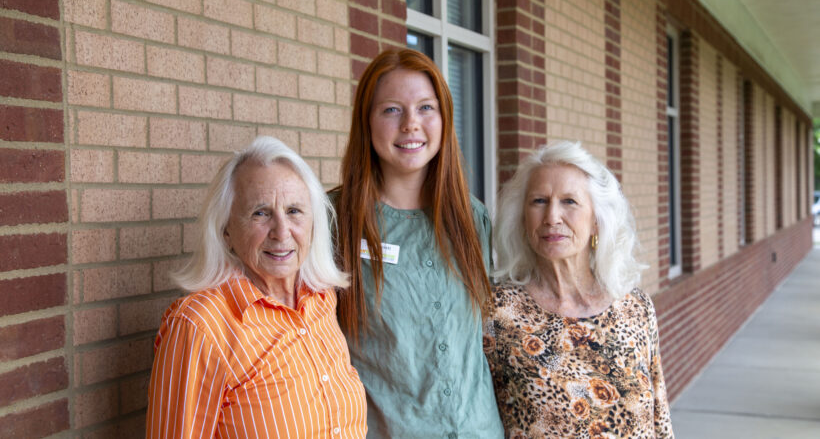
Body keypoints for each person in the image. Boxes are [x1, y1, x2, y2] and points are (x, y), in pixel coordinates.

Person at [332, 48, 504, 438]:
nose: (411, 124)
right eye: (392, 110)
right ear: (367, 121)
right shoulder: (334, 220)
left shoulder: (471, 217)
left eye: (426, 108)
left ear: (444, 119)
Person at [146, 136, 367, 438]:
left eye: (294, 211)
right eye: (260, 213)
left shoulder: (320, 299)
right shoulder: (199, 326)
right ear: (226, 230)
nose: (281, 232)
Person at [485, 141, 674, 438]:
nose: (552, 217)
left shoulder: (635, 307)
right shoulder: (496, 313)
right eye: (539, 201)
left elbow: (659, 418)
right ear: (522, 219)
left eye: (569, 202)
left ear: (597, 220)